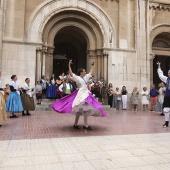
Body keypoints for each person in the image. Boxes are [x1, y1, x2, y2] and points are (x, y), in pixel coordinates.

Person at [52, 60, 106, 130]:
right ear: (81, 73)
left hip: (86, 93)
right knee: (81, 109)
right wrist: (69, 65)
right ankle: (82, 125)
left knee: (84, 109)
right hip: (80, 94)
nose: (85, 72)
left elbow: (90, 72)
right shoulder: (77, 78)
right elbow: (71, 74)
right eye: (84, 71)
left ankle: (81, 124)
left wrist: (92, 65)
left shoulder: (86, 77)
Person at [157, 62, 170, 127]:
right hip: (167, 96)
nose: (169, 74)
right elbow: (161, 75)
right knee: (166, 110)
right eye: (168, 73)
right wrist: (159, 66)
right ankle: (166, 122)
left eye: (169, 73)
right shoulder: (167, 79)